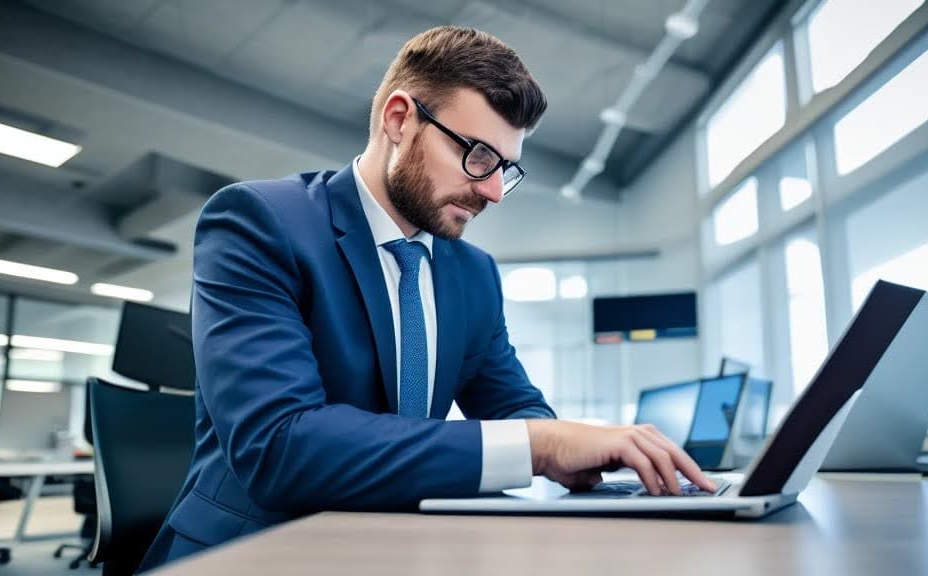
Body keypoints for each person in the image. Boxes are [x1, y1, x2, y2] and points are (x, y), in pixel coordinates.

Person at [139, 25, 715, 570]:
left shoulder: (474, 274)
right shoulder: (259, 223)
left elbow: (514, 407)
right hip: (255, 551)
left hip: (405, 546)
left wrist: (591, 452)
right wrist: (539, 446)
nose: (493, 190)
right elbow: (281, 447)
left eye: (506, 169)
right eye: (480, 156)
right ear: (399, 119)